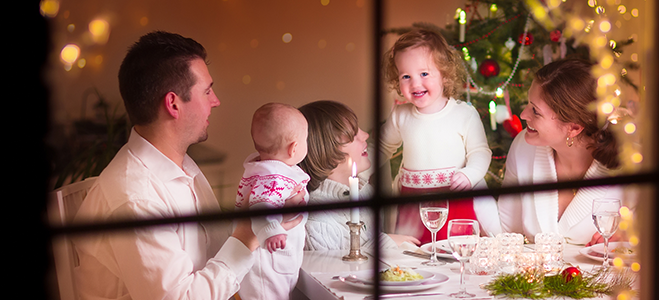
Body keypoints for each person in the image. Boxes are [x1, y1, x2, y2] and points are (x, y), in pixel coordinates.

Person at [71, 31, 302, 300]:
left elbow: (212, 258)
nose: (215, 101)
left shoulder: (182, 165)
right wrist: (249, 232)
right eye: (206, 91)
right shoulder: (135, 198)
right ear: (173, 104)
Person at [379, 28, 501, 244]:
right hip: (411, 202)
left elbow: (480, 151)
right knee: (412, 253)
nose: (415, 83)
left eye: (424, 74)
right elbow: (382, 147)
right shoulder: (401, 115)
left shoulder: (464, 113)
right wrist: (359, 170)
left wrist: (469, 174)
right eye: (405, 76)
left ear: (444, 75)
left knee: (455, 250)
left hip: (454, 198)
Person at [497, 59, 627, 246]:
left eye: (535, 111)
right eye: (528, 104)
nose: (523, 115)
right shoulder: (524, 148)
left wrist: (629, 238)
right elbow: (506, 233)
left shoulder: (629, 168)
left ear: (574, 128)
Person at [298, 100, 420, 250]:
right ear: (328, 152)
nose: (365, 135)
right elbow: (333, 269)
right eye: (353, 135)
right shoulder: (318, 220)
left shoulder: (365, 191)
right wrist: (385, 242)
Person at [235, 103, 310, 300]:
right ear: (294, 148)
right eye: (306, 139)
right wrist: (270, 231)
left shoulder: (270, 170)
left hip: (277, 260)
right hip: (266, 264)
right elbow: (260, 207)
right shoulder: (271, 177)